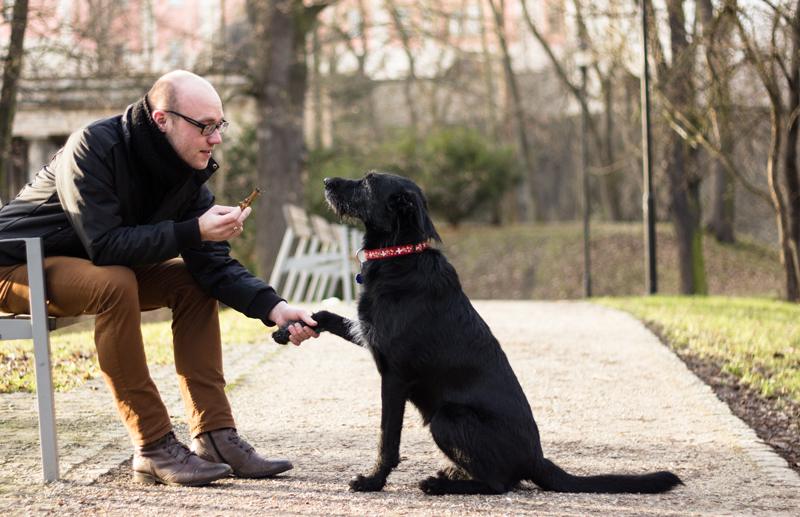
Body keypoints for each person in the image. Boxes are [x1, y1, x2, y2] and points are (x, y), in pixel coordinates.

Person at [0, 70, 320, 487]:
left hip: (84, 268)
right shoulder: (93, 146)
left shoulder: (185, 175)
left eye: (219, 125)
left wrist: (275, 308)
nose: (216, 138)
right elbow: (105, 246)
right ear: (161, 119)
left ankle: (215, 435)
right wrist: (194, 230)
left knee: (192, 281)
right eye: (204, 126)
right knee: (115, 282)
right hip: (14, 266)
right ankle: (151, 445)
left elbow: (214, 266)